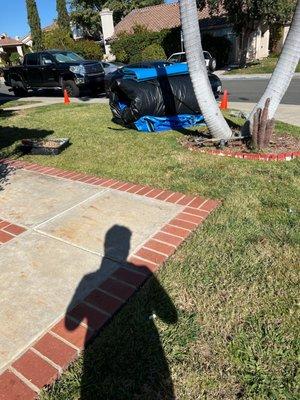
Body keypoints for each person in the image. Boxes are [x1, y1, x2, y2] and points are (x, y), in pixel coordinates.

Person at [66, 224, 178, 399]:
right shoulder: (142, 270)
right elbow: (171, 317)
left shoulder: (88, 278)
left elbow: (70, 324)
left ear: (105, 246)